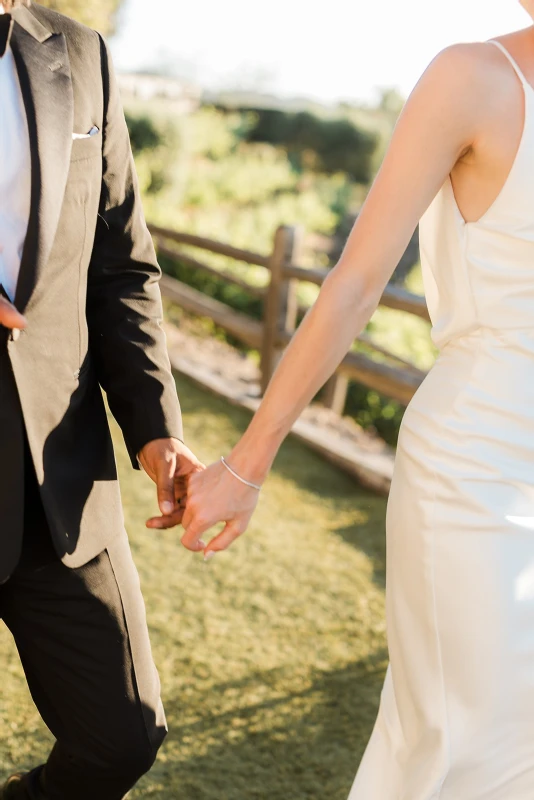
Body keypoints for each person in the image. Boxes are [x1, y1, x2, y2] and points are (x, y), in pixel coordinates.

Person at [182, 1, 534, 796]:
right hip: (477, 477)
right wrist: (248, 462)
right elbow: (357, 282)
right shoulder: (475, 78)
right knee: (473, 747)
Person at [0, 1, 205, 798]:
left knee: (121, 737)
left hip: (61, 481)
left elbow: (121, 267)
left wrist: (156, 432)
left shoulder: (82, 55)